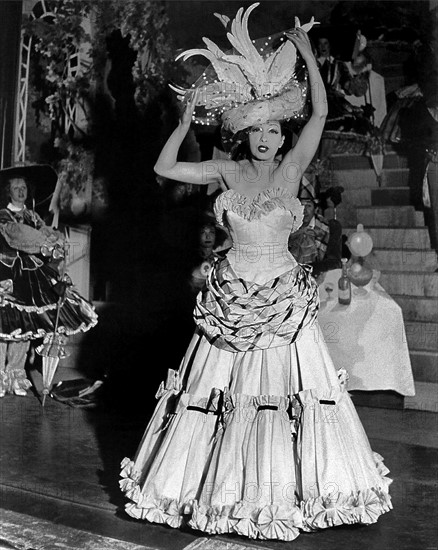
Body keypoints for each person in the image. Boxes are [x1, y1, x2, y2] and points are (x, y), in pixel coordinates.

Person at [120, 5, 392, 541]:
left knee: (285, 397)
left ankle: (285, 494)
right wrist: (180, 126)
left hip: (282, 299)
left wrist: (309, 56)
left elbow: (317, 115)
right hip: (232, 299)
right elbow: (164, 168)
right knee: (220, 399)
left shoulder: (291, 170)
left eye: (273, 129)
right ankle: (221, 496)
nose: (267, 138)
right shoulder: (225, 169)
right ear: (244, 133)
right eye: (258, 130)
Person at [0, 164, 98, 398]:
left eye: (23, 187)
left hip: (32, 275)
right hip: (8, 273)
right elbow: (18, 235)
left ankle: (15, 374)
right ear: (8, 191)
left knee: (27, 326)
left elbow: (45, 231)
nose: (21, 191)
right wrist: (46, 245)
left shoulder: (32, 215)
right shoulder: (4, 215)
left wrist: (56, 241)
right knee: (4, 326)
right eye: (16, 188)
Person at [288, 176, 342, 278]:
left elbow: (335, 262)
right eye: (300, 205)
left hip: (320, 280)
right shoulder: (286, 228)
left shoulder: (329, 227)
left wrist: (306, 270)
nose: (304, 211)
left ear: (315, 208)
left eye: (308, 206)